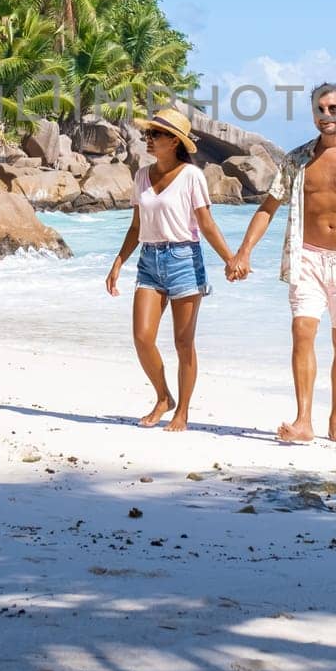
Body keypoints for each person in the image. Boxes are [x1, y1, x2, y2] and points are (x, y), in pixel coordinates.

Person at [227, 82, 336, 445]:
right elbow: (268, 207)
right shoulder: (296, 160)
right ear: (313, 113)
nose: (326, 115)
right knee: (302, 331)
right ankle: (304, 420)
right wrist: (244, 252)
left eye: (333, 109)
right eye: (320, 109)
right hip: (308, 258)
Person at [106, 107, 234, 431]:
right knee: (142, 337)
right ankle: (164, 397)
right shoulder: (141, 176)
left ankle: (183, 412)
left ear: (175, 141)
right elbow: (136, 226)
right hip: (149, 261)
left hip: (184, 262)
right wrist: (118, 262)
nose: (148, 139)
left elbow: (206, 224)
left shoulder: (192, 176)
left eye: (156, 134)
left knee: (183, 343)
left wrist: (231, 259)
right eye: (148, 133)